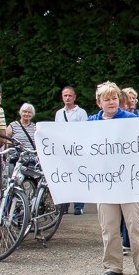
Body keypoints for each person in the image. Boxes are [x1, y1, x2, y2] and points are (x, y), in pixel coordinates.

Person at [88, 81, 139, 275]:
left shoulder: (131, 119)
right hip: (104, 182)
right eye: (107, 99)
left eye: (114, 98)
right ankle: (113, 266)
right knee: (109, 227)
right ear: (99, 102)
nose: (111, 102)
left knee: (136, 225)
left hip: (129, 181)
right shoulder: (90, 123)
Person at [54, 85, 87, 215]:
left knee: (79, 176)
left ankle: (79, 206)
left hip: (77, 149)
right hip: (63, 150)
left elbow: (84, 130)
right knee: (65, 177)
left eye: (70, 95)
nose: (67, 98)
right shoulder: (59, 113)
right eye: (65, 95)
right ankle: (64, 205)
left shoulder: (81, 112)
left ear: (74, 97)